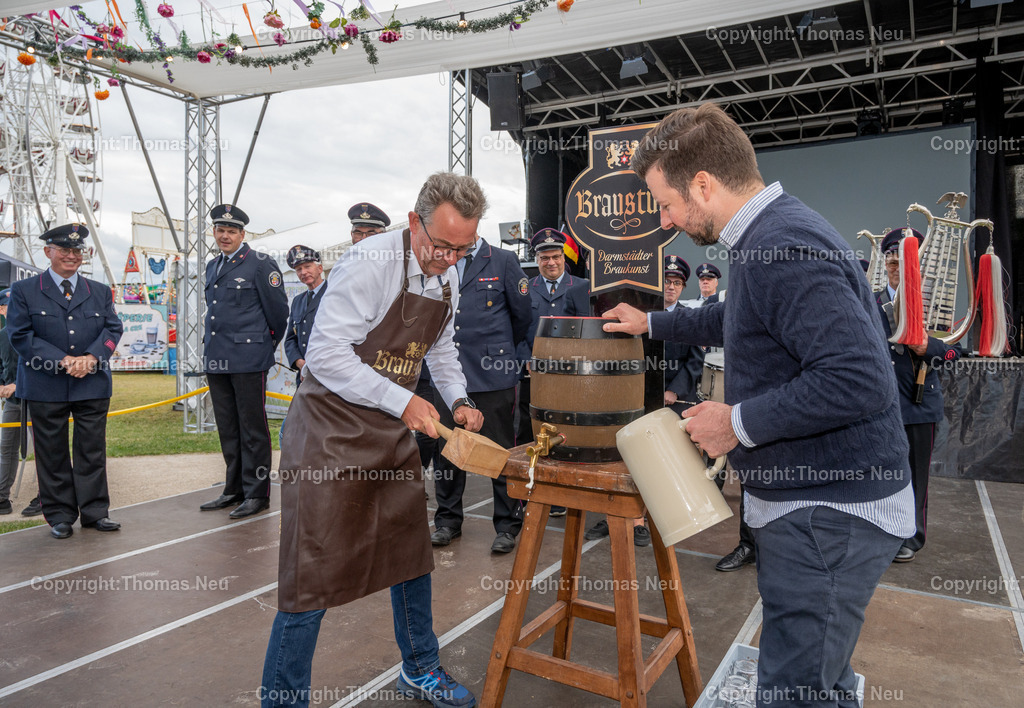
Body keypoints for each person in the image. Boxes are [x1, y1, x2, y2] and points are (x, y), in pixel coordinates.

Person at [602, 104, 914, 707]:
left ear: (703, 185)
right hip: (821, 504)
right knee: (821, 675)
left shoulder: (784, 244)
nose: (665, 220)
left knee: (794, 691)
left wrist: (735, 423)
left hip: (829, 511)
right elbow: (741, 319)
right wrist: (654, 322)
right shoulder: (763, 236)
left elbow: (857, 379)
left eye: (665, 204)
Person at [262, 172, 484, 708]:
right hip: (330, 433)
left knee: (412, 555)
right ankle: (283, 701)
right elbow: (325, 355)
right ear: (414, 222)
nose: (450, 260)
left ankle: (420, 668)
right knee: (309, 574)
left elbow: (442, 350)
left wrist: (459, 399)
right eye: (442, 246)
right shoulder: (369, 265)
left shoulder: (447, 274)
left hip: (388, 432)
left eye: (463, 249)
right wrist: (404, 401)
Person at [7, 224, 124, 539]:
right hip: (45, 384)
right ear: (49, 252)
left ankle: (95, 512)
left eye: (77, 251)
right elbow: (20, 336)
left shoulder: (99, 291)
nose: (72, 256)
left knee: (92, 450)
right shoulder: (25, 291)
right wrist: (63, 361)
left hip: (92, 382)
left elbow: (112, 330)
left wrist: (92, 358)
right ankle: (59, 515)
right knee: (52, 451)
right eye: (64, 250)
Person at [585, 255, 703, 547]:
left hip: (670, 401)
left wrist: (674, 391)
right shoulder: (638, 316)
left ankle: (649, 517)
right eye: (666, 281)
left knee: (660, 462)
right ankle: (619, 514)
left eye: (677, 283)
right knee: (625, 456)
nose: (671, 287)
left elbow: (694, 362)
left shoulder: (688, 317)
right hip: (634, 398)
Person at [429, 237, 532, 554]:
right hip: (447, 374)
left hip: (492, 374)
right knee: (447, 450)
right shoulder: (440, 260)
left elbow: (522, 317)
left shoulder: (502, 260)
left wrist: (498, 354)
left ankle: (508, 525)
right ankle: (447, 521)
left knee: (499, 451)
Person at [876, 227, 960, 563]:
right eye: (891, 259)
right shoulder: (873, 302)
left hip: (918, 402)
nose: (896, 264)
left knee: (915, 475)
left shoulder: (933, 302)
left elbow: (954, 354)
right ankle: (886, 529)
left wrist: (929, 347)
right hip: (882, 403)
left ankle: (913, 536)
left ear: (917, 261)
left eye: (903, 258)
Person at [200, 204, 289, 519]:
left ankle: (257, 493)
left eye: (231, 231)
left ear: (243, 234)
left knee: (252, 428)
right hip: (217, 359)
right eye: (220, 230)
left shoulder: (260, 264)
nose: (225, 235)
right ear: (214, 232)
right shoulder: (213, 266)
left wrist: (263, 345)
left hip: (249, 359)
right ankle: (234, 488)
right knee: (228, 427)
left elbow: (278, 313)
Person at [517, 228, 590, 516]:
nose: (551, 262)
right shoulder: (525, 288)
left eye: (556, 256)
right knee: (531, 433)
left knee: (566, 433)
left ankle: (563, 494)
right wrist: (525, 358)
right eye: (544, 257)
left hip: (571, 378)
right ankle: (530, 493)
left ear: (564, 257)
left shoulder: (582, 286)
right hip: (534, 378)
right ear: (537, 260)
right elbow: (518, 327)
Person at [282, 245, 326, 386]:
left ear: (320, 268)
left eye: (308, 266)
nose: (304, 272)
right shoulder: (297, 301)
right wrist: (299, 362)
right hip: (304, 376)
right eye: (299, 269)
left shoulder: (333, 294)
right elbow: (290, 339)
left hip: (328, 374)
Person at [0, 289, 21, 515]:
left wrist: (19, 385)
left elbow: (40, 366)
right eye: (9, 305)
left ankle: (46, 497)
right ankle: (2, 497)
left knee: (48, 449)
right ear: (1, 309)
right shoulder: (1, 336)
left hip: (38, 401)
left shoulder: (32, 332)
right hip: (13, 404)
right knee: (6, 449)